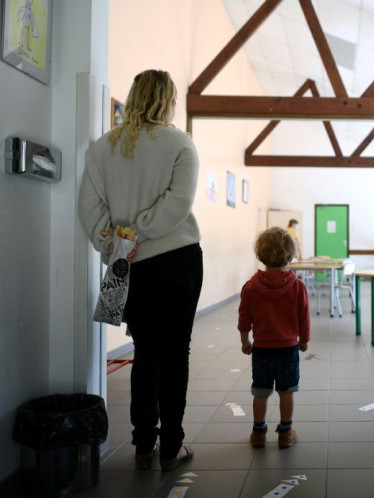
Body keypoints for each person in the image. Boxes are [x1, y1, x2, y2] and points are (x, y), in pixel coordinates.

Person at [78, 69, 202, 472]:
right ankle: (172, 448)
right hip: (177, 259)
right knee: (175, 352)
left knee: (145, 350)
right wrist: (139, 232)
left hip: (127, 266)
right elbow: (177, 206)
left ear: (132, 97)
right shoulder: (181, 144)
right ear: (168, 101)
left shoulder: (102, 148)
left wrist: (118, 243)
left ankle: (144, 445)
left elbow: (89, 210)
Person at [238, 227, 310, 448]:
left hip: (261, 350)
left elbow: (244, 318)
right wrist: (304, 341)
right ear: (290, 255)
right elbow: (304, 317)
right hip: (288, 349)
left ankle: (258, 432)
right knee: (286, 392)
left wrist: (245, 341)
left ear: (259, 253)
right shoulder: (297, 286)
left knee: (260, 392)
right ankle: (285, 433)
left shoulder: (251, 287)